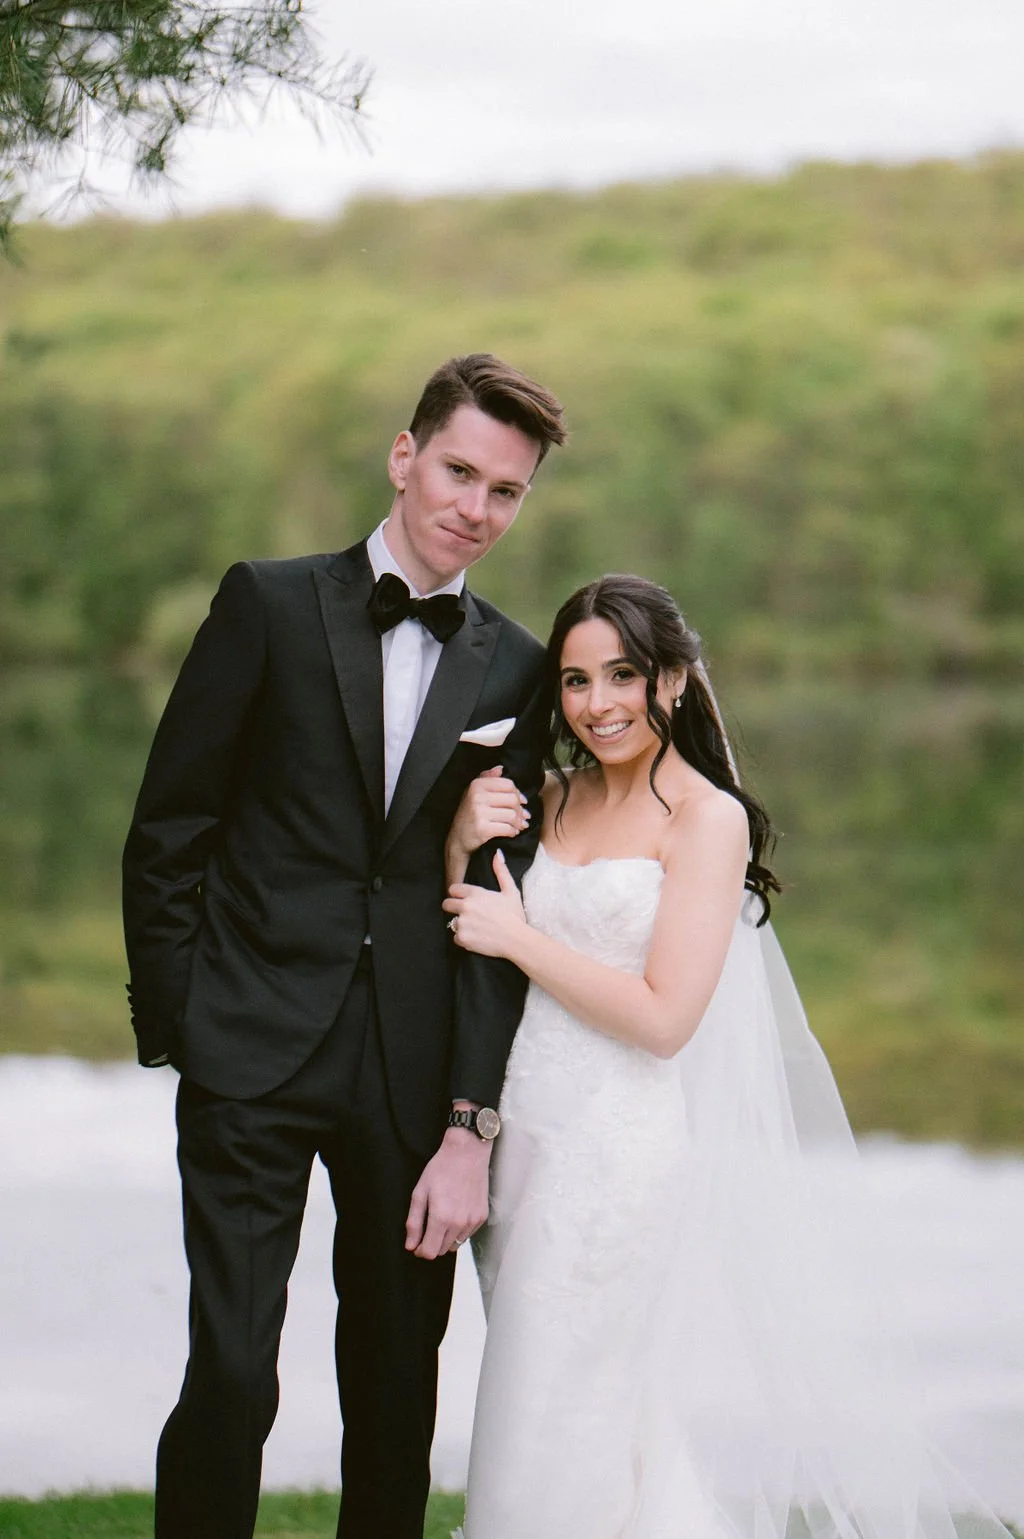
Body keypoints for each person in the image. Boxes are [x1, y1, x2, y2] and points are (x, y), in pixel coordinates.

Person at [442, 573, 1014, 1539]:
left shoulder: (707, 819)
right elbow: (462, 932)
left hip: (616, 1154)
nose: (597, 704)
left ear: (671, 678)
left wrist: (523, 938)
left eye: (622, 674)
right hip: (523, 1138)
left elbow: (666, 1018)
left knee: (551, 1404)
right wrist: (456, 844)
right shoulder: (554, 795)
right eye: (576, 681)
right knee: (564, 1403)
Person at [121, 353, 565, 1539]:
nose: (475, 508)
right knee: (231, 1370)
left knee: (394, 1391)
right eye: (460, 471)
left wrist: (471, 1120)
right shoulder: (265, 604)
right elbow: (170, 828)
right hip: (247, 1047)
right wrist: (181, 1023)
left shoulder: (520, 668)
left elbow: (493, 909)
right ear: (403, 456)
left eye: (506, 492)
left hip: (406, 1074)